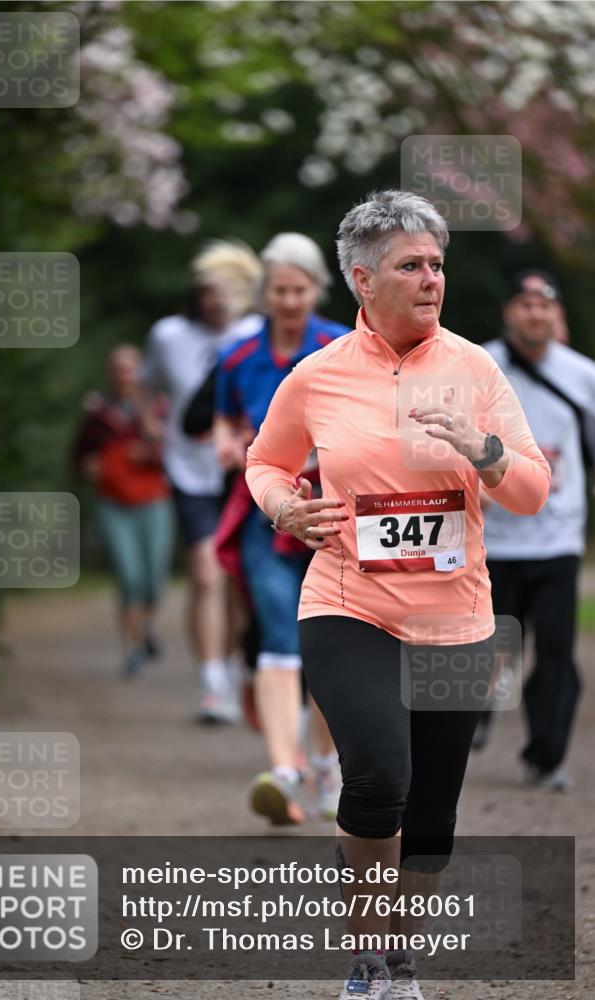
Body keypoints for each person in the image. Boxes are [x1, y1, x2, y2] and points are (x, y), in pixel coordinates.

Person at [245, 192, 550, 999]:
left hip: (456, 617)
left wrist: (483, 451)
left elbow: (530, 491)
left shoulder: (473, 369)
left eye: (436, 265)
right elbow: (265, 461)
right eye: (410, 266)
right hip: (349, 603)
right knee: (378, 776)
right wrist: (282, 507)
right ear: (361, 279)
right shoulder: (317, 376)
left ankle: (400, 955)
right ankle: (367, 959)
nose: (430, 279)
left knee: (432, 819)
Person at [213, 233, 349, 825]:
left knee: (329, 642)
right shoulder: (238, 356)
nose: (289, 301)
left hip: (332, 512)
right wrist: (226, 444)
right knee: (276, 633)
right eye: (279, 291)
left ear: (317, 289)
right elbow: (221, 418)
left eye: (299, 290)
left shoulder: (342, 347)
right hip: (265, 511)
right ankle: (284, 772)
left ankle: (326, 764)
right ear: (263, 294)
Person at [474, 270, 595, 789]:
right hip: (495, 538)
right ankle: (471, 719)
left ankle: (546, 757)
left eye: (544, 305)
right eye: (525, 304)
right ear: (509, 312)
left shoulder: (583, 375)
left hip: (557, 539)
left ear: (557, 314)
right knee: (486, 645)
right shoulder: (480, 367)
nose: (535, 314)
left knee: (556, 652)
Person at [145, 241, 262, 722]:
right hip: (188, 470)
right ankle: (212, 683)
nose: (218, 300)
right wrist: (150, 424)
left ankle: (232, 670)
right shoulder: (168, 335)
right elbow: (144, 385)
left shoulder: (256, 333)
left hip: (243, 471)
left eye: (227, 291)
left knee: (236, 579)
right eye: (209, 291)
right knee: (205, 570)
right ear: (196, 293)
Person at [72, 345, 174, 677]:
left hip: (153, 500)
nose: (124, 375)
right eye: (118, 369)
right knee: (130, 576)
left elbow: (174, 452)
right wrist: (91, 466)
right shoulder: (98, 413)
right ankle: (133, 650)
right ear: (110, 373)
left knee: (154, 578)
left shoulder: (158, 407)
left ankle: (144, 626)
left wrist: (147, 448)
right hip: (114, 503)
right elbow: (78, 456)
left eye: (130, 368)